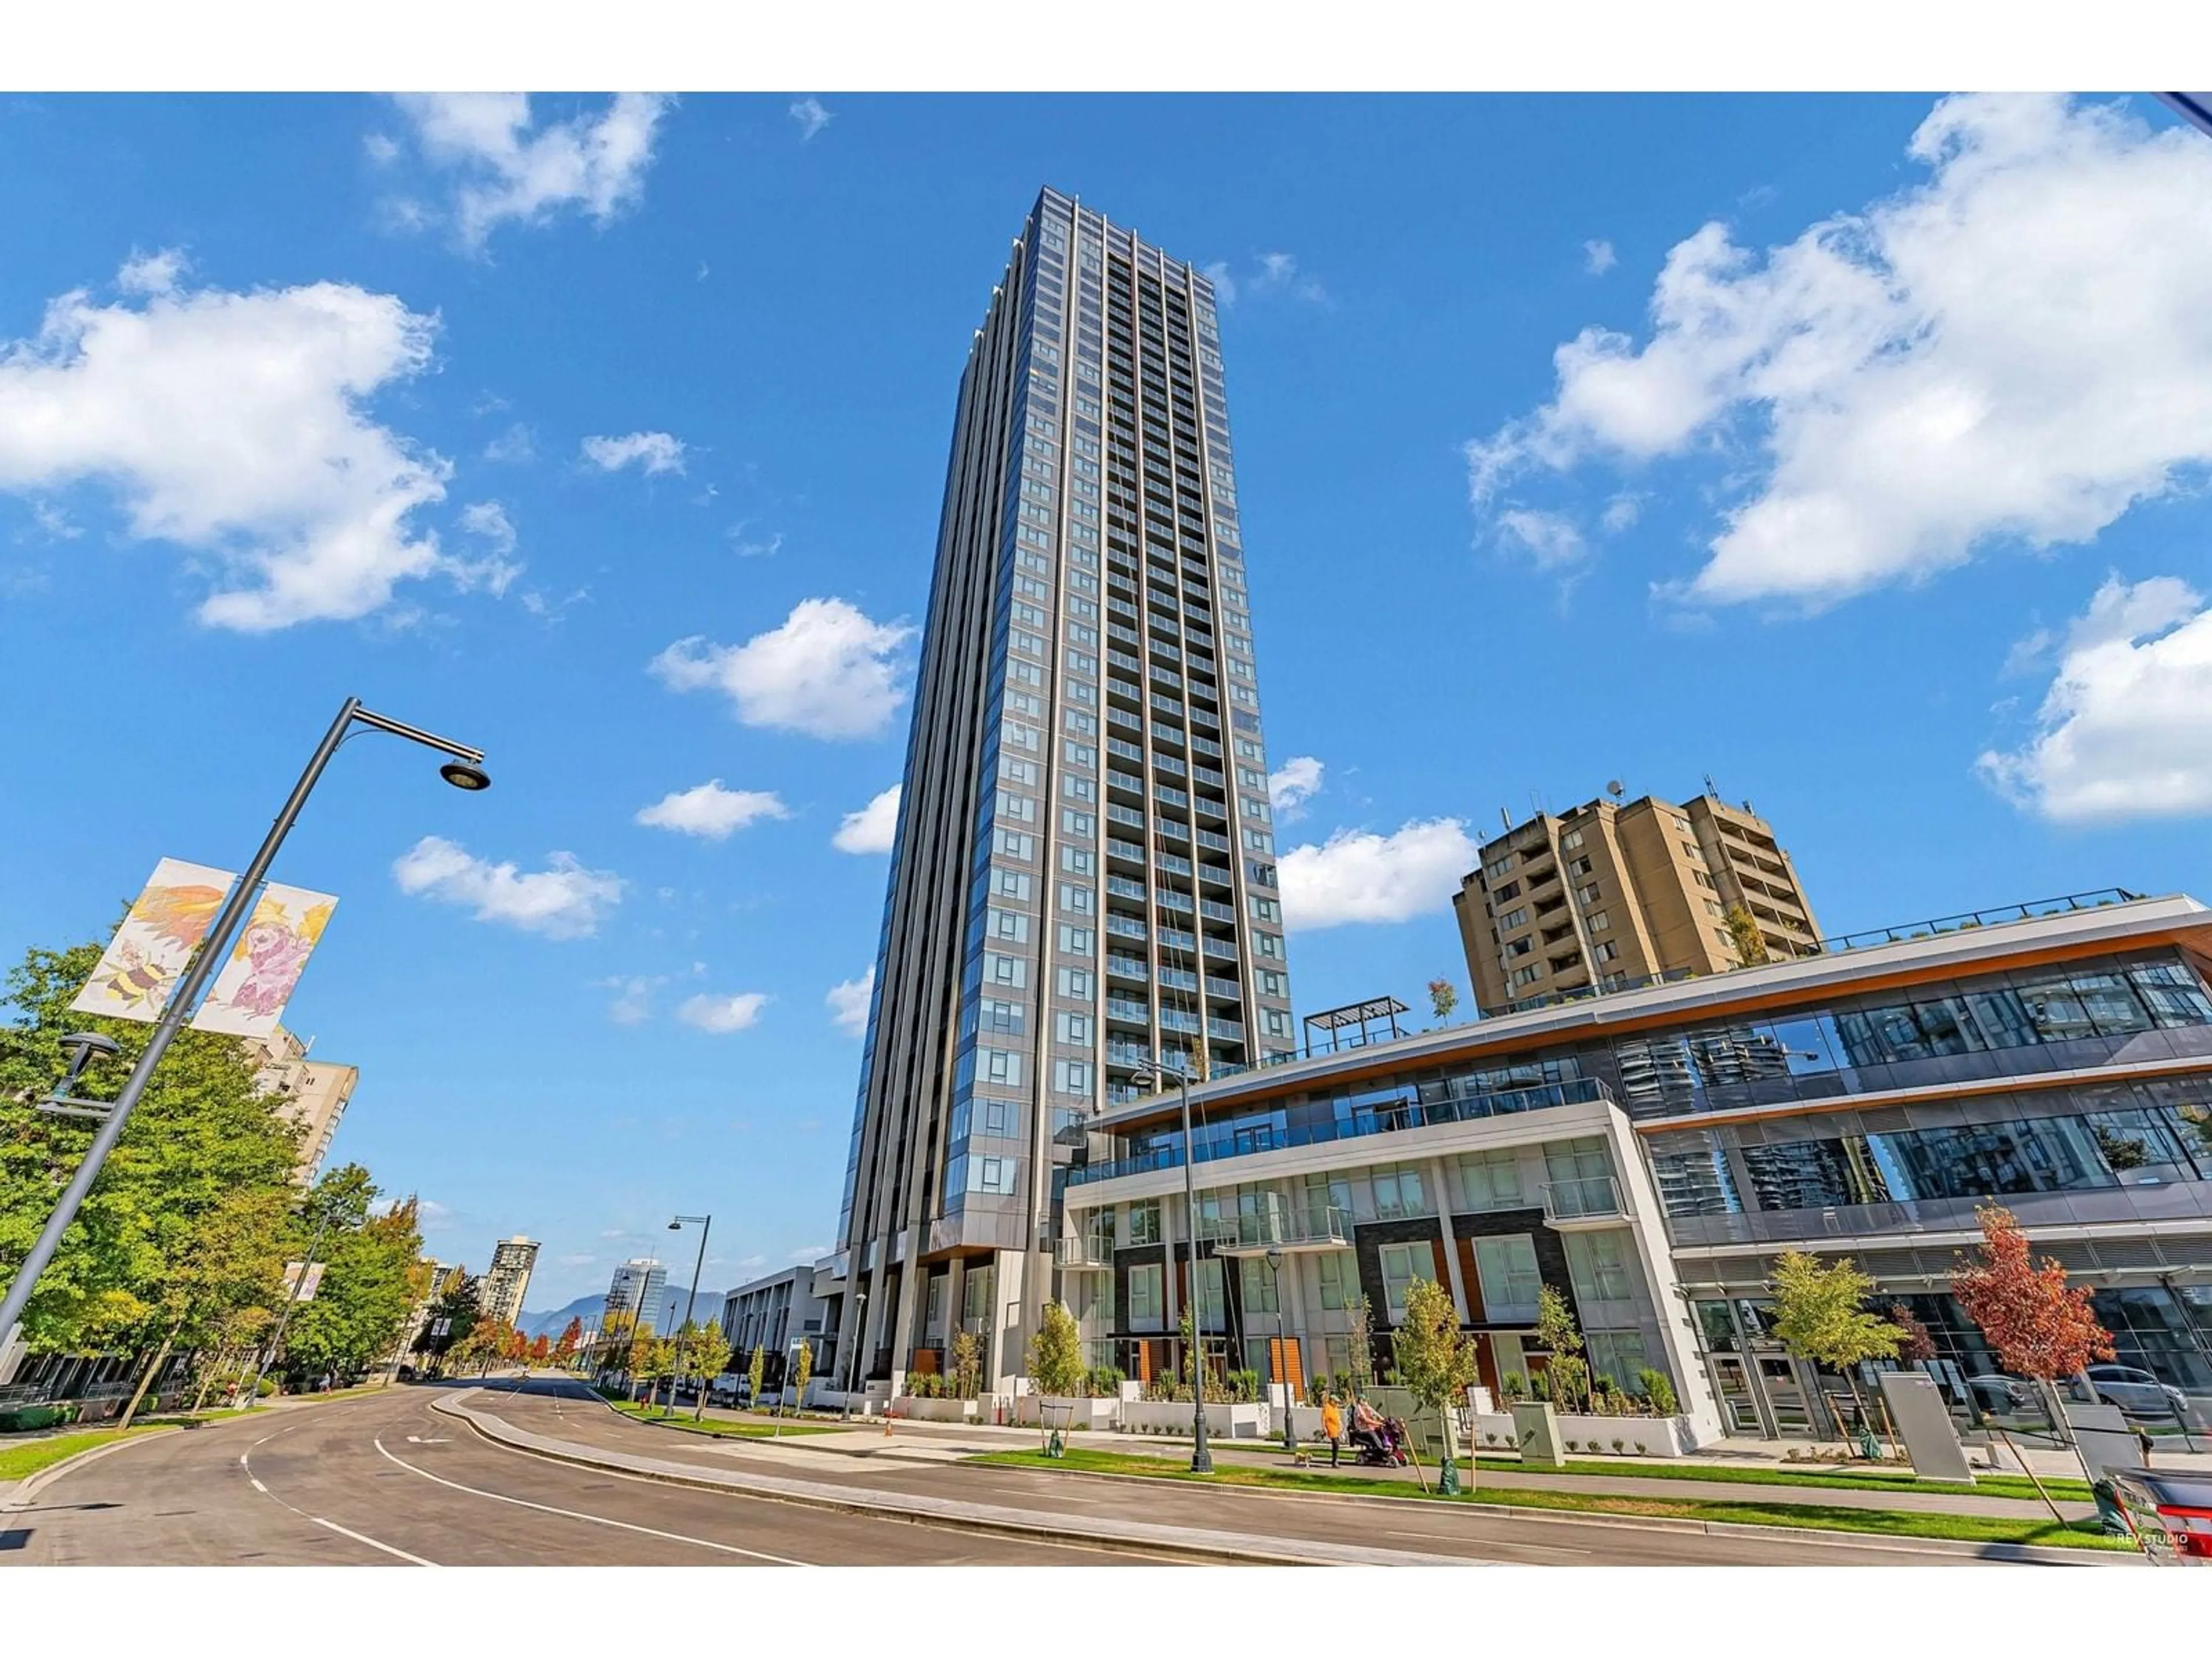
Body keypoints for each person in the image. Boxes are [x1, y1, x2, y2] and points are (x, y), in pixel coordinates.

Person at [1320, 1393, 1344, 1467]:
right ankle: (1335, 1461)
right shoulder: (1327, 1407)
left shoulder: (1335, 1408)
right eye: (1336, 1402)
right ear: (1331, 1401)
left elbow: (1338, 1418)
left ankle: (1335, 1460)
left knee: (1337, 1444)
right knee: (1336, 1443)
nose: (1337, 1403)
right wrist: (1324, 1428)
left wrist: (1341, 1426)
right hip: (1331, 1428)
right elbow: (1323, 1419)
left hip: (1336, 1428)